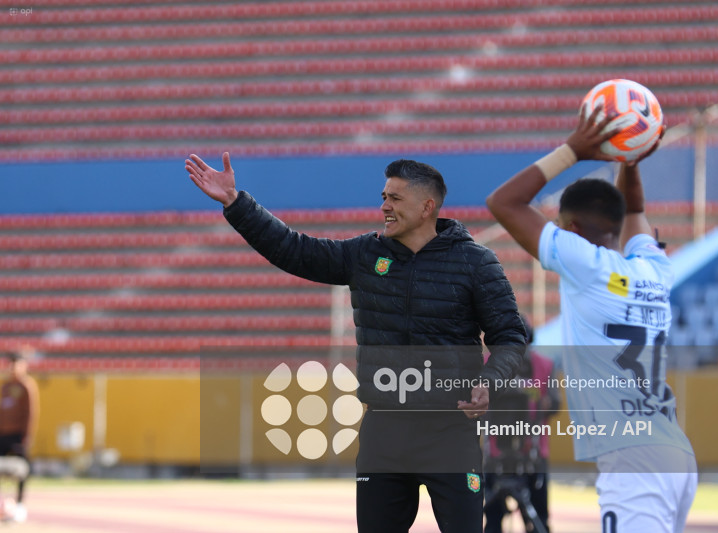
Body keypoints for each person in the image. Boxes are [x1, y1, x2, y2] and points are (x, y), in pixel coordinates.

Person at [186, 154, 527, 533]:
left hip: (451, 429)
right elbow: (294, 249)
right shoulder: (365, 255)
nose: (384, 206)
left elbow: (510, 336)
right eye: (384, 196)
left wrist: (489, 382)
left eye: (395, 198)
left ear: (427, 206)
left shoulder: (477, 263)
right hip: (384, 429)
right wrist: (237, 203)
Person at [486, 107, 697, 533]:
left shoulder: (587, 264)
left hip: (632, 459)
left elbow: (503, 202)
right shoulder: (652, 269)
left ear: (572, 227)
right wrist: (629, 156)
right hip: (673, 450)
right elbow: (634, 206)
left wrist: (572, 151)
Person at [484, 322, 559, 533]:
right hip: (495, 452)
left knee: (538, 518)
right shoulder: (486, 363)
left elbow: (555, 402)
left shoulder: (544, 364)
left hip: (533, 453)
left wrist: (544, 403)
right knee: (493, 519)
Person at [0, 346, 39, 523]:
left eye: (16, 364)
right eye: (11, 364)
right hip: (3, 434)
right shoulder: (6, 386)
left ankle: (20, 505)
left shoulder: (27, 386)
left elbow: (31, 412)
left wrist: (26, 436)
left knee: (22, 471)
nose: (13, 368)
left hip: (18, 435)